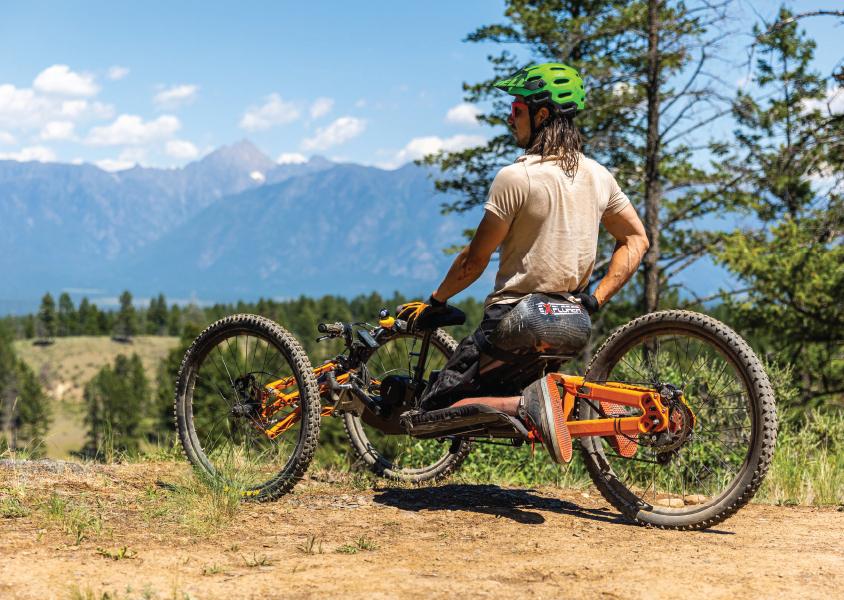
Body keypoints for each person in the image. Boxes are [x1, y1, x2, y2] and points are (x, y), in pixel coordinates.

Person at [397, 63, 649, 463]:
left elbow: (473, 261)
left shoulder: (517, 177)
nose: (510, 117)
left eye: (516, 109)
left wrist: (435, 299)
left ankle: (525, 406)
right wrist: (595, 299)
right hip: (573, 320)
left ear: (542, 115)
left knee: (432, 408)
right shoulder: (600, 177)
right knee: (515, 382)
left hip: (516, 320)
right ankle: (583, 403)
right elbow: (637, 239)